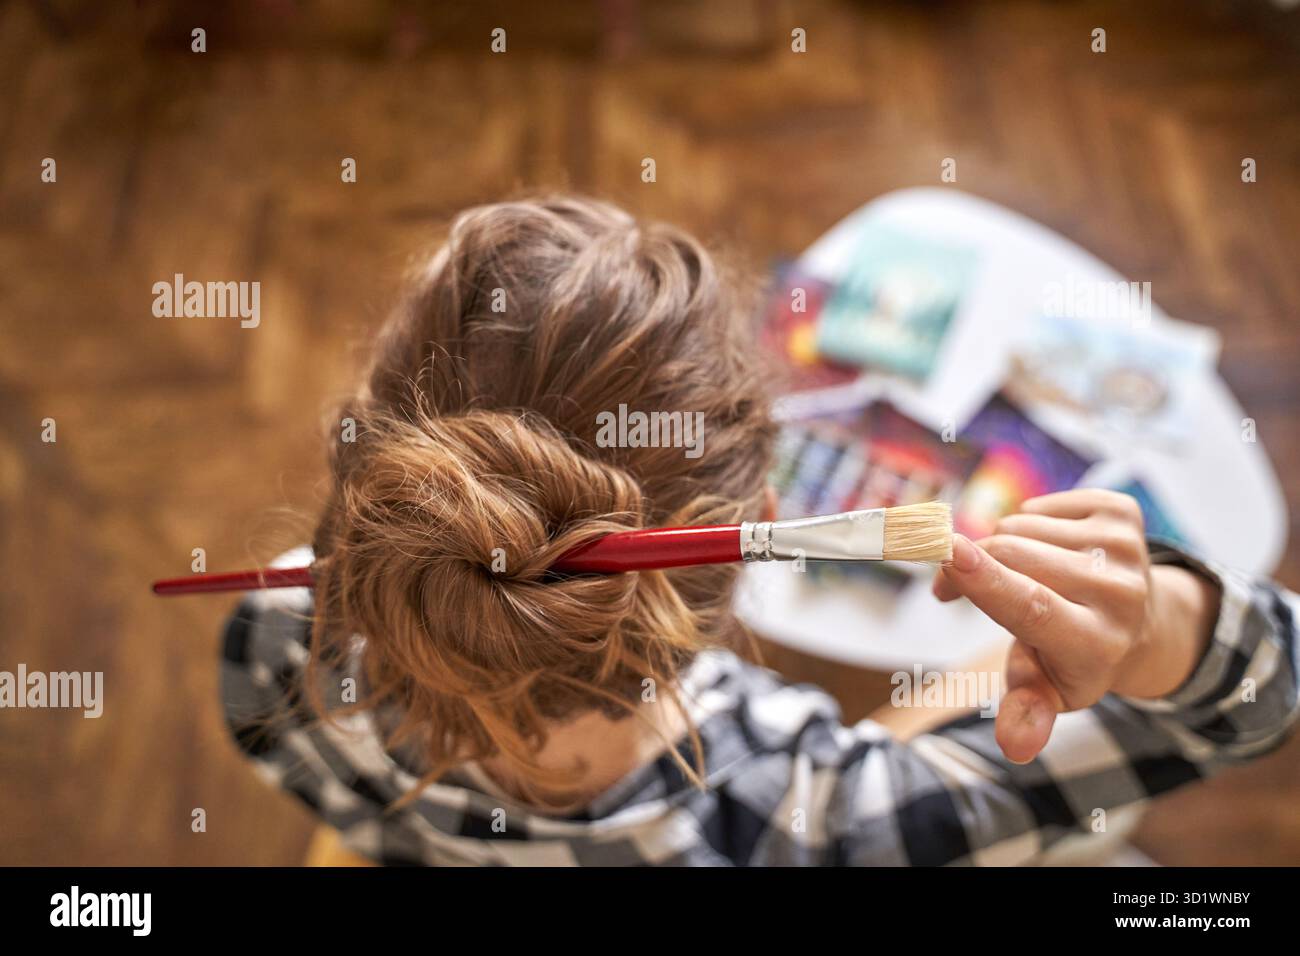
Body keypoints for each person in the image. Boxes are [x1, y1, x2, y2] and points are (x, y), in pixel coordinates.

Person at [220, 197, 1297, 865]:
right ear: (755, 532)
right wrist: (1167, 617)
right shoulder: (819, 818)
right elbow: (1257, 694)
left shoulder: (270, 640)